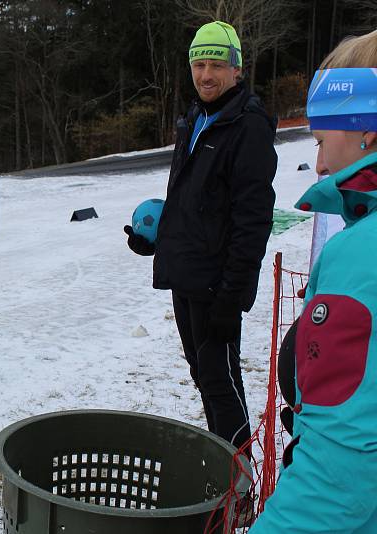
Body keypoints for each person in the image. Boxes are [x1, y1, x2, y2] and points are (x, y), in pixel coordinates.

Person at [124, 21, 277, 453]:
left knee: (220, 380)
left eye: (215, 65)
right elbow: (192, 199)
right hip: (187, 272)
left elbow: (253, 221)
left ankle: (240, 484)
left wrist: (233, 299)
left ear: (237, 69)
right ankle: (224, 467)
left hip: (218, 283)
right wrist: (155, 238)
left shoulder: (248, 127)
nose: (206, 74)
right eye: (198, 64)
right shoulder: (195, 117)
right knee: (203, 375)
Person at [250, 29, 377, 533]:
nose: (320, 164)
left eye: (322, 141)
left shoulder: (361, 255)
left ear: (367, 129)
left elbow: (341, 469)